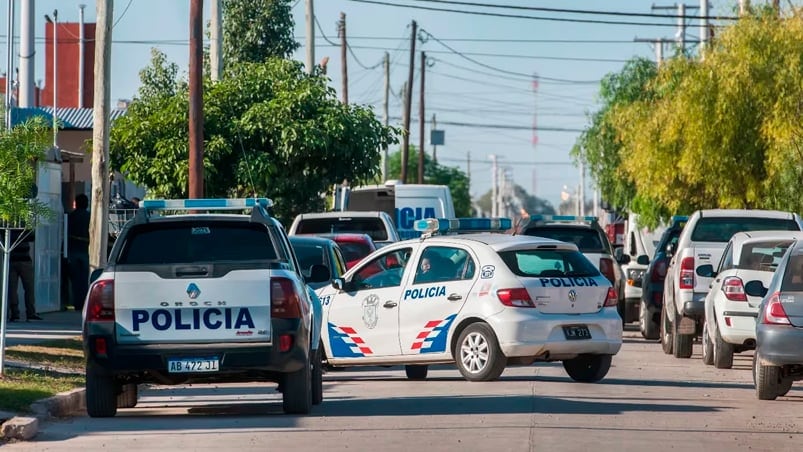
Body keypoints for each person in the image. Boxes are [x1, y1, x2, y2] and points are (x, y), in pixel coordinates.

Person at [7, 229, 41, 321]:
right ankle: (30, 312)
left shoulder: (9, 229)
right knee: (28, 288)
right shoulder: (24, 229)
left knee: (12, 289)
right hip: (24, 261)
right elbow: (32, 237)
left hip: (12, 260)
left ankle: (15, 313)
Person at [68, 193, 91, 311]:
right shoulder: (90, 216)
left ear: (76, 203)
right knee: (85, 279)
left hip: (72, 250)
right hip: (86, 251)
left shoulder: (70, 217)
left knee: (75, 280)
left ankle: (77, 303)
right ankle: (85, 302)